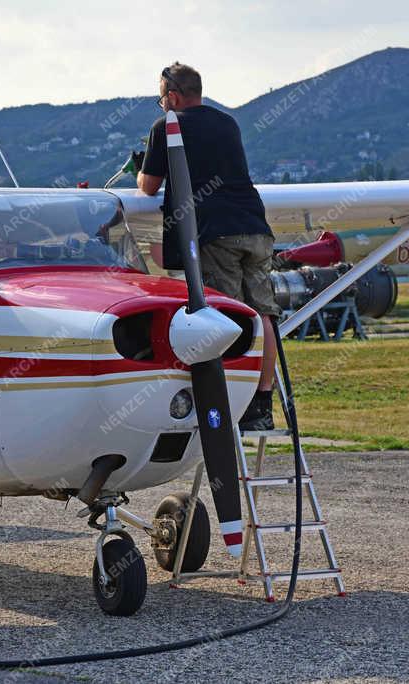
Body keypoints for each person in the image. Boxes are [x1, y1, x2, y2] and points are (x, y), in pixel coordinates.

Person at [136, 62, 280, 432]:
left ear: (173, 96)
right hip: (255, 225)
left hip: (215, 233)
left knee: (224, 317)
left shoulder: (166, 126)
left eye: (161, 97)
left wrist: (142, 165)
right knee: (262, 315)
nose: (161, 105)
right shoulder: (228, 123)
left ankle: (230, 398)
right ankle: (262, 402)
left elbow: (148, 187)